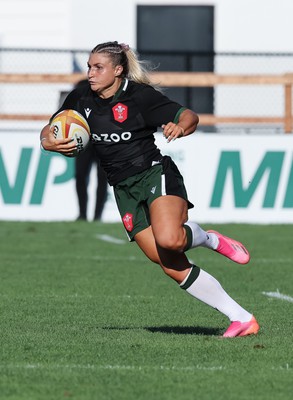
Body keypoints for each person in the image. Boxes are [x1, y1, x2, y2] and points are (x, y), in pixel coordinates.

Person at [40, 41, 259, 337]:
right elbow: (51, 127)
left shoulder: (139, 97)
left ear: (118, 70)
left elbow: (188, 116)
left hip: (154, 173)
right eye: (90, 66)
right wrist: (48, 141)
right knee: (166, 261)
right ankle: (242, 318)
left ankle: (208, 238)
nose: (90, 73)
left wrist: (180, 127)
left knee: (170, 240)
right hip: (122, 188)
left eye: (98, 67)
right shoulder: (80, 97)